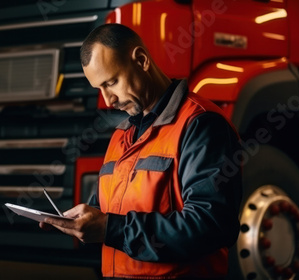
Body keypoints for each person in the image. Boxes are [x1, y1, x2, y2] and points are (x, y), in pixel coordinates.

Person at [40, 24, 242, 279]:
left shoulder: (201, 125)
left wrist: (110, 229)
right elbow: (106, 214)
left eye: (111, 82)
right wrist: (77, 223)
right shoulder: (120, 138)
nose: (108, 100)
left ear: (141, 60)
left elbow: (211, 225)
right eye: (99, 89)